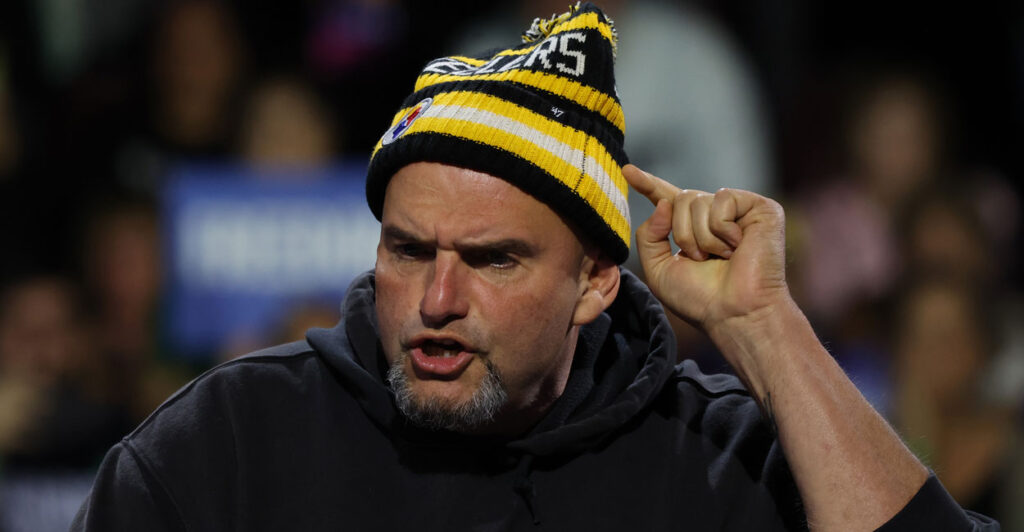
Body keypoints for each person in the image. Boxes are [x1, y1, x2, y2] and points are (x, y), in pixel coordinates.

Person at [72, 4, 997, 530]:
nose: (437, 300)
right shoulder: (234, 441)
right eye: (408, 249)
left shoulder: (725, 462)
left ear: (597, 280)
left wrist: (765, 331)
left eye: (493, 259)